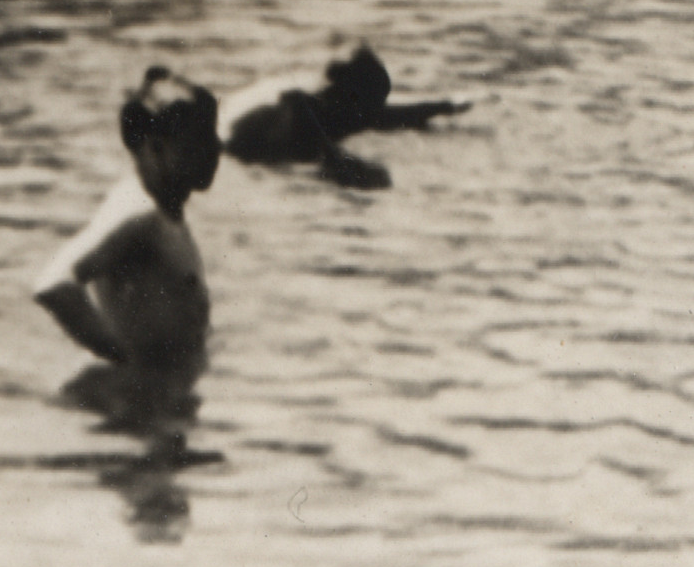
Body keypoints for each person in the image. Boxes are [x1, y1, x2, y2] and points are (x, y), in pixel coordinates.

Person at [32, 67, 220, 369]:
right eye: (200, 139)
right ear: (155, 147)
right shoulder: (139, 216)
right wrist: (122, 361)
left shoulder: (162, 210)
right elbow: (54, 284)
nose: (216, 149)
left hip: (170, 386)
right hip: (146, 393)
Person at [217, 43, 468, 189]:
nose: (378, 105)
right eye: (376, 98)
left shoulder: (345, 108)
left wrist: (443, 107)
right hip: (253, 149)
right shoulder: (307, 111)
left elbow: (393, 115)